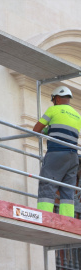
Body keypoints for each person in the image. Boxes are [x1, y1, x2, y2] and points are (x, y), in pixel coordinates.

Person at [33, 86, 81, 217]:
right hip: (73, 156)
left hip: (56, 153)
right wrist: (50, 130)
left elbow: (36, 129)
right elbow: (66, 130)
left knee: (47, 184)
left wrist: (46, 130)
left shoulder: (53, 110)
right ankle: (68, 219)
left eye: (53, 100)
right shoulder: (77, 115)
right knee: (68, 189)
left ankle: (44, 216)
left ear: (57, 98)